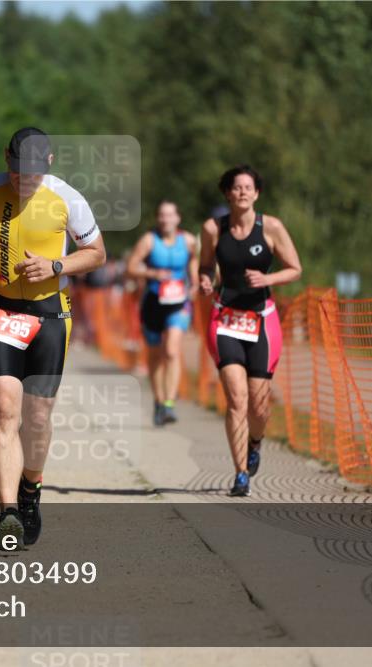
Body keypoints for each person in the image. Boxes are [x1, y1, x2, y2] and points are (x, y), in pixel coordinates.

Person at [0, 127, 106, 544]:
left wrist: (56, 267)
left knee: (37, 418)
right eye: (16, 171)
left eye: (31, 174)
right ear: (6, 159)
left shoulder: (67, 199)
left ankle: (30, 488)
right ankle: (8, 513)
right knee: (4, 411)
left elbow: (97, 254)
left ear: (48, 163)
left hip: (51, 314)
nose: (23, 180)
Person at [199, 165, 302, 497]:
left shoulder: (271, 227)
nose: (242, 192)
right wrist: (204, 279)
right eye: (236, 187)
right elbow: (205, 264)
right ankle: (240, 472)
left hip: (261, 320)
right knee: (236, 400)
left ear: (257, 193)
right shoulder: (213, 229)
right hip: (225, 320)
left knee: (259, 404)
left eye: (248, 187)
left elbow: (295, 269)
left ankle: (255, 442)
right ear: (227, 193)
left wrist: (267, 279)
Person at [126, 200, 199, 426]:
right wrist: (152, 273)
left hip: (178, 303)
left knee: (171, 350)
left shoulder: (187, 241)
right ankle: (158, 400)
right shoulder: (149, 241)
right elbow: (131, 267)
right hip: (153, 303)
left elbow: (194, 264)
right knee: (156, 355)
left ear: (178, 218)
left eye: (170, 215)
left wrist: (195, 284)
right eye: (162, 215)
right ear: (158, 218)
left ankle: (169, 403)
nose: (166, 219)